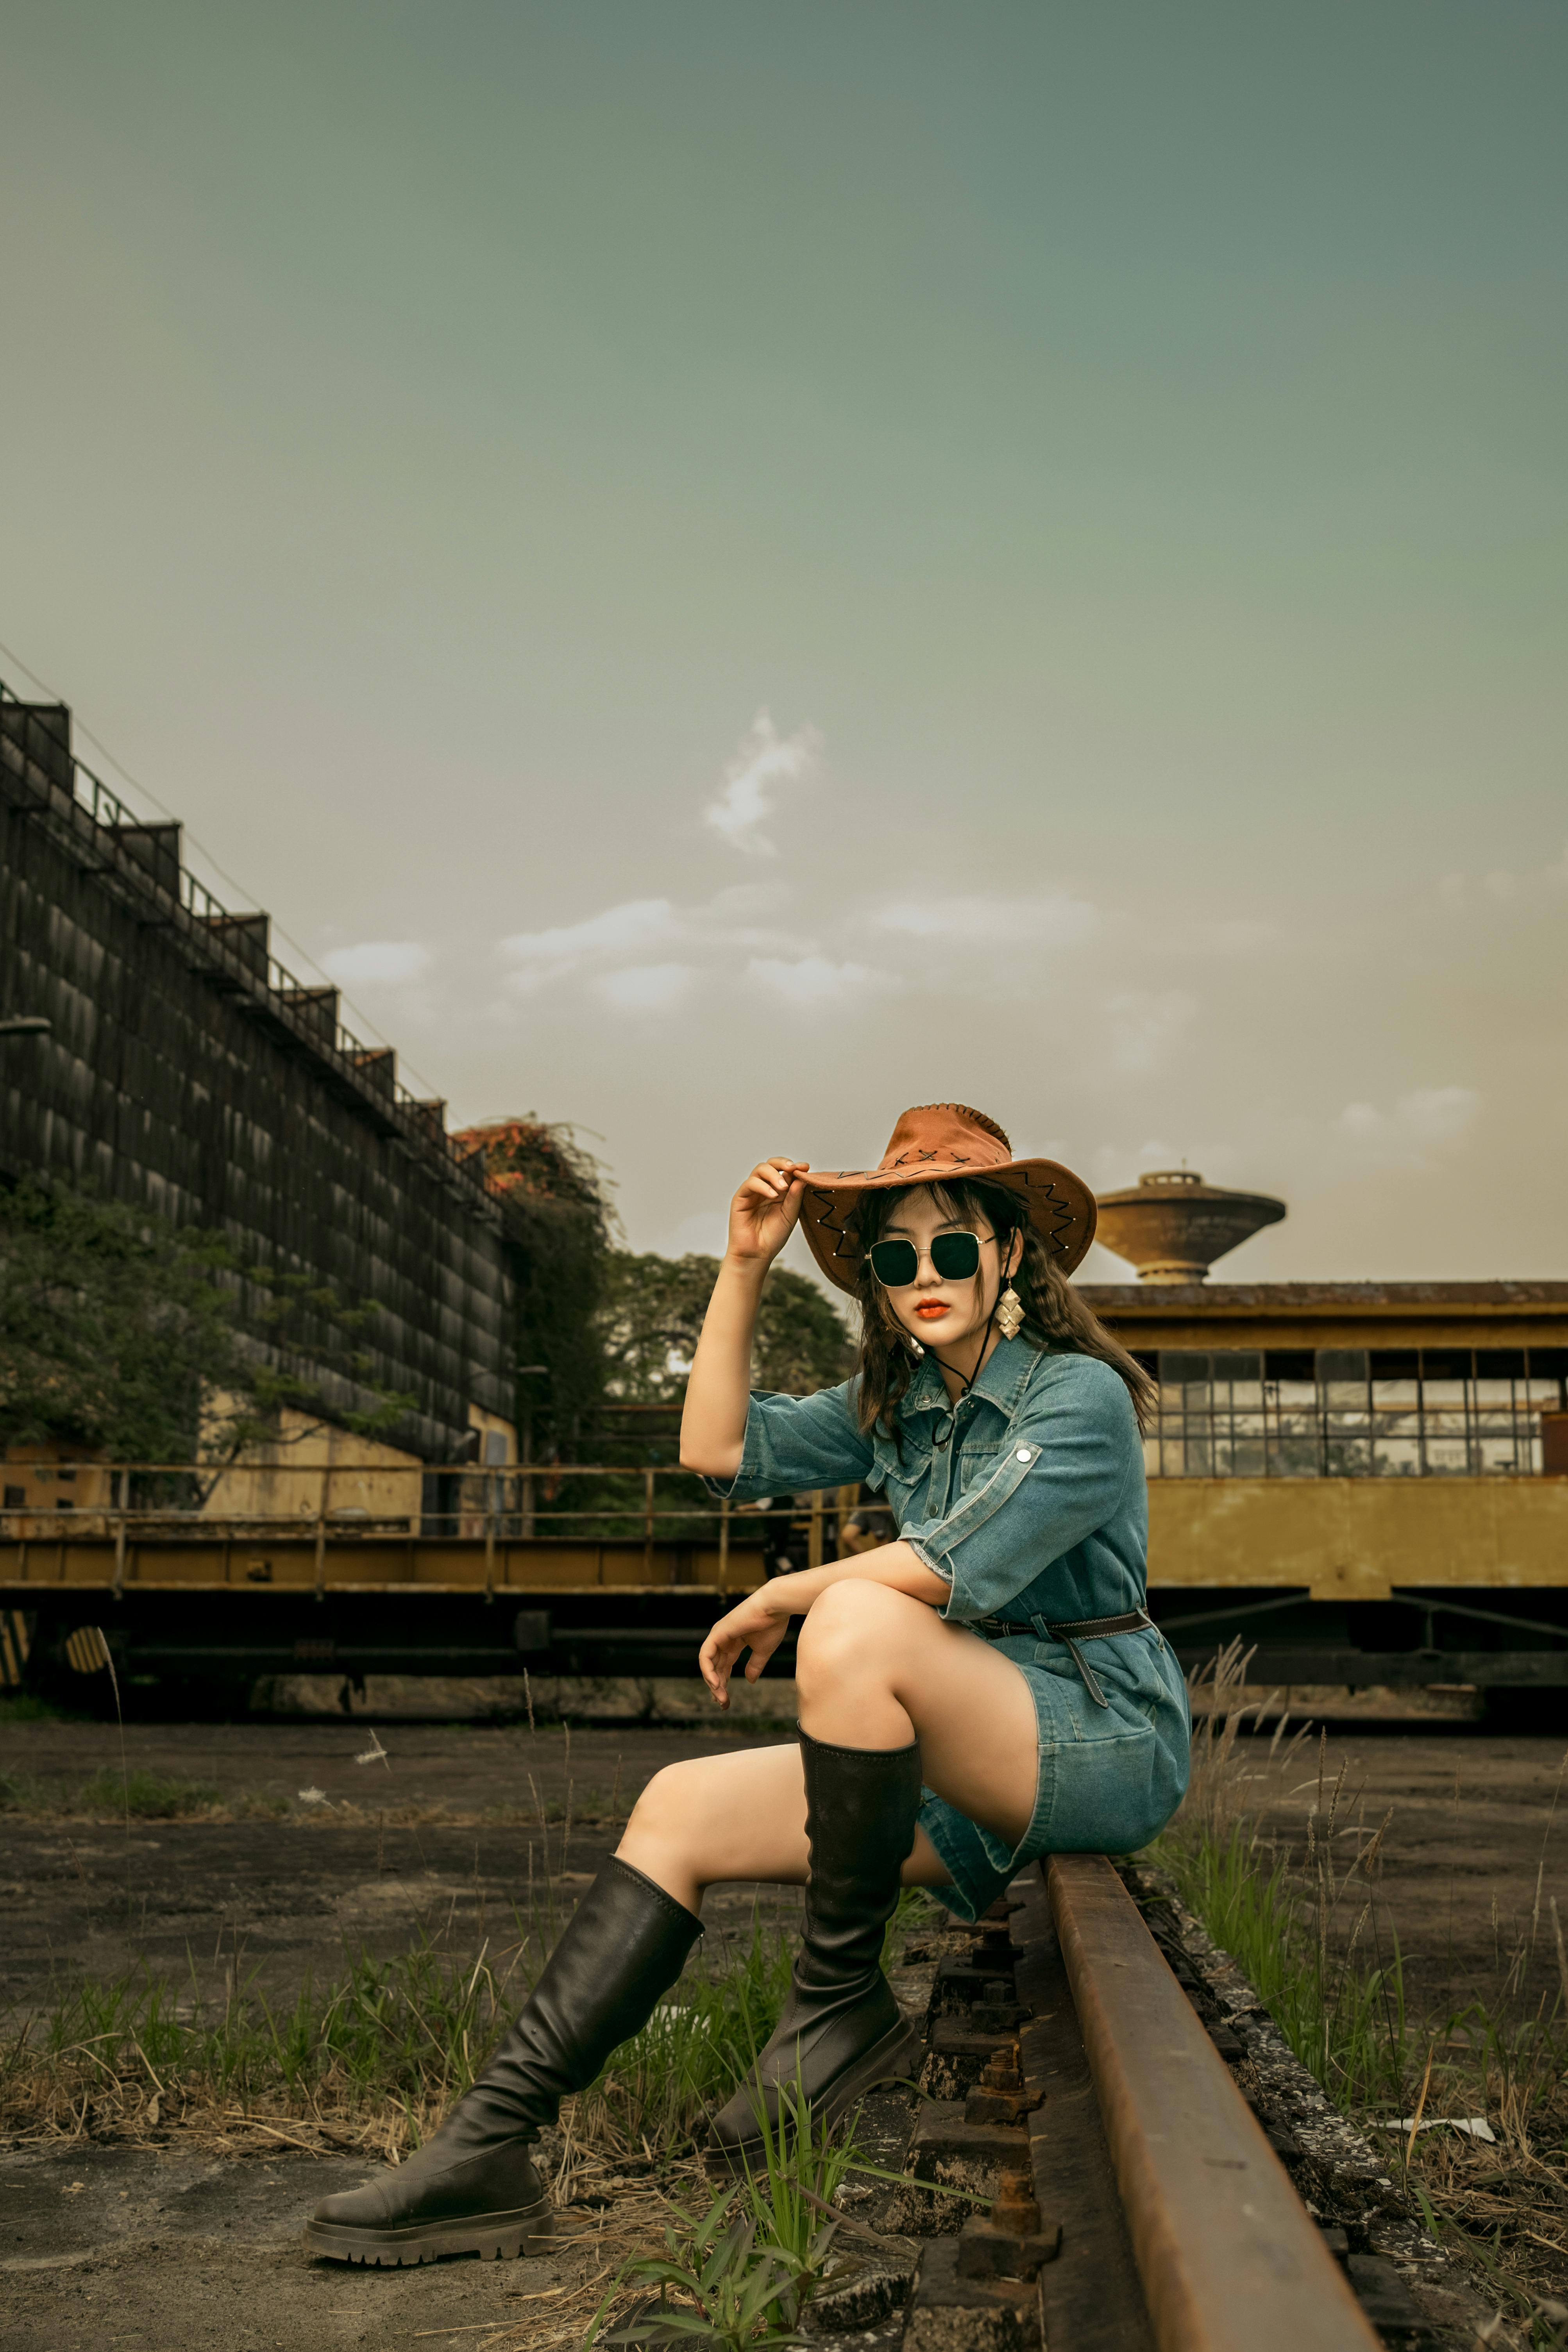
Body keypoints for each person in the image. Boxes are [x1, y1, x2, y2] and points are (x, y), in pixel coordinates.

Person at [304, 1103, 1190, 2267]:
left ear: (1010, 1251)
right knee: (677, 1803)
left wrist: (786, 1593)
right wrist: (743, 1265)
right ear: (875, 1282)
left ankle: (835, 2006)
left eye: (951, 1245)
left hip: (1097, 1729)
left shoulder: (1076, 1395)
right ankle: (488, 2146)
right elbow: (715, 1450)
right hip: (967, 1741)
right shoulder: (899, 1404)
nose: (925, 1275)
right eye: (895, 1258)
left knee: (857, 1618)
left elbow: (943, 1564)